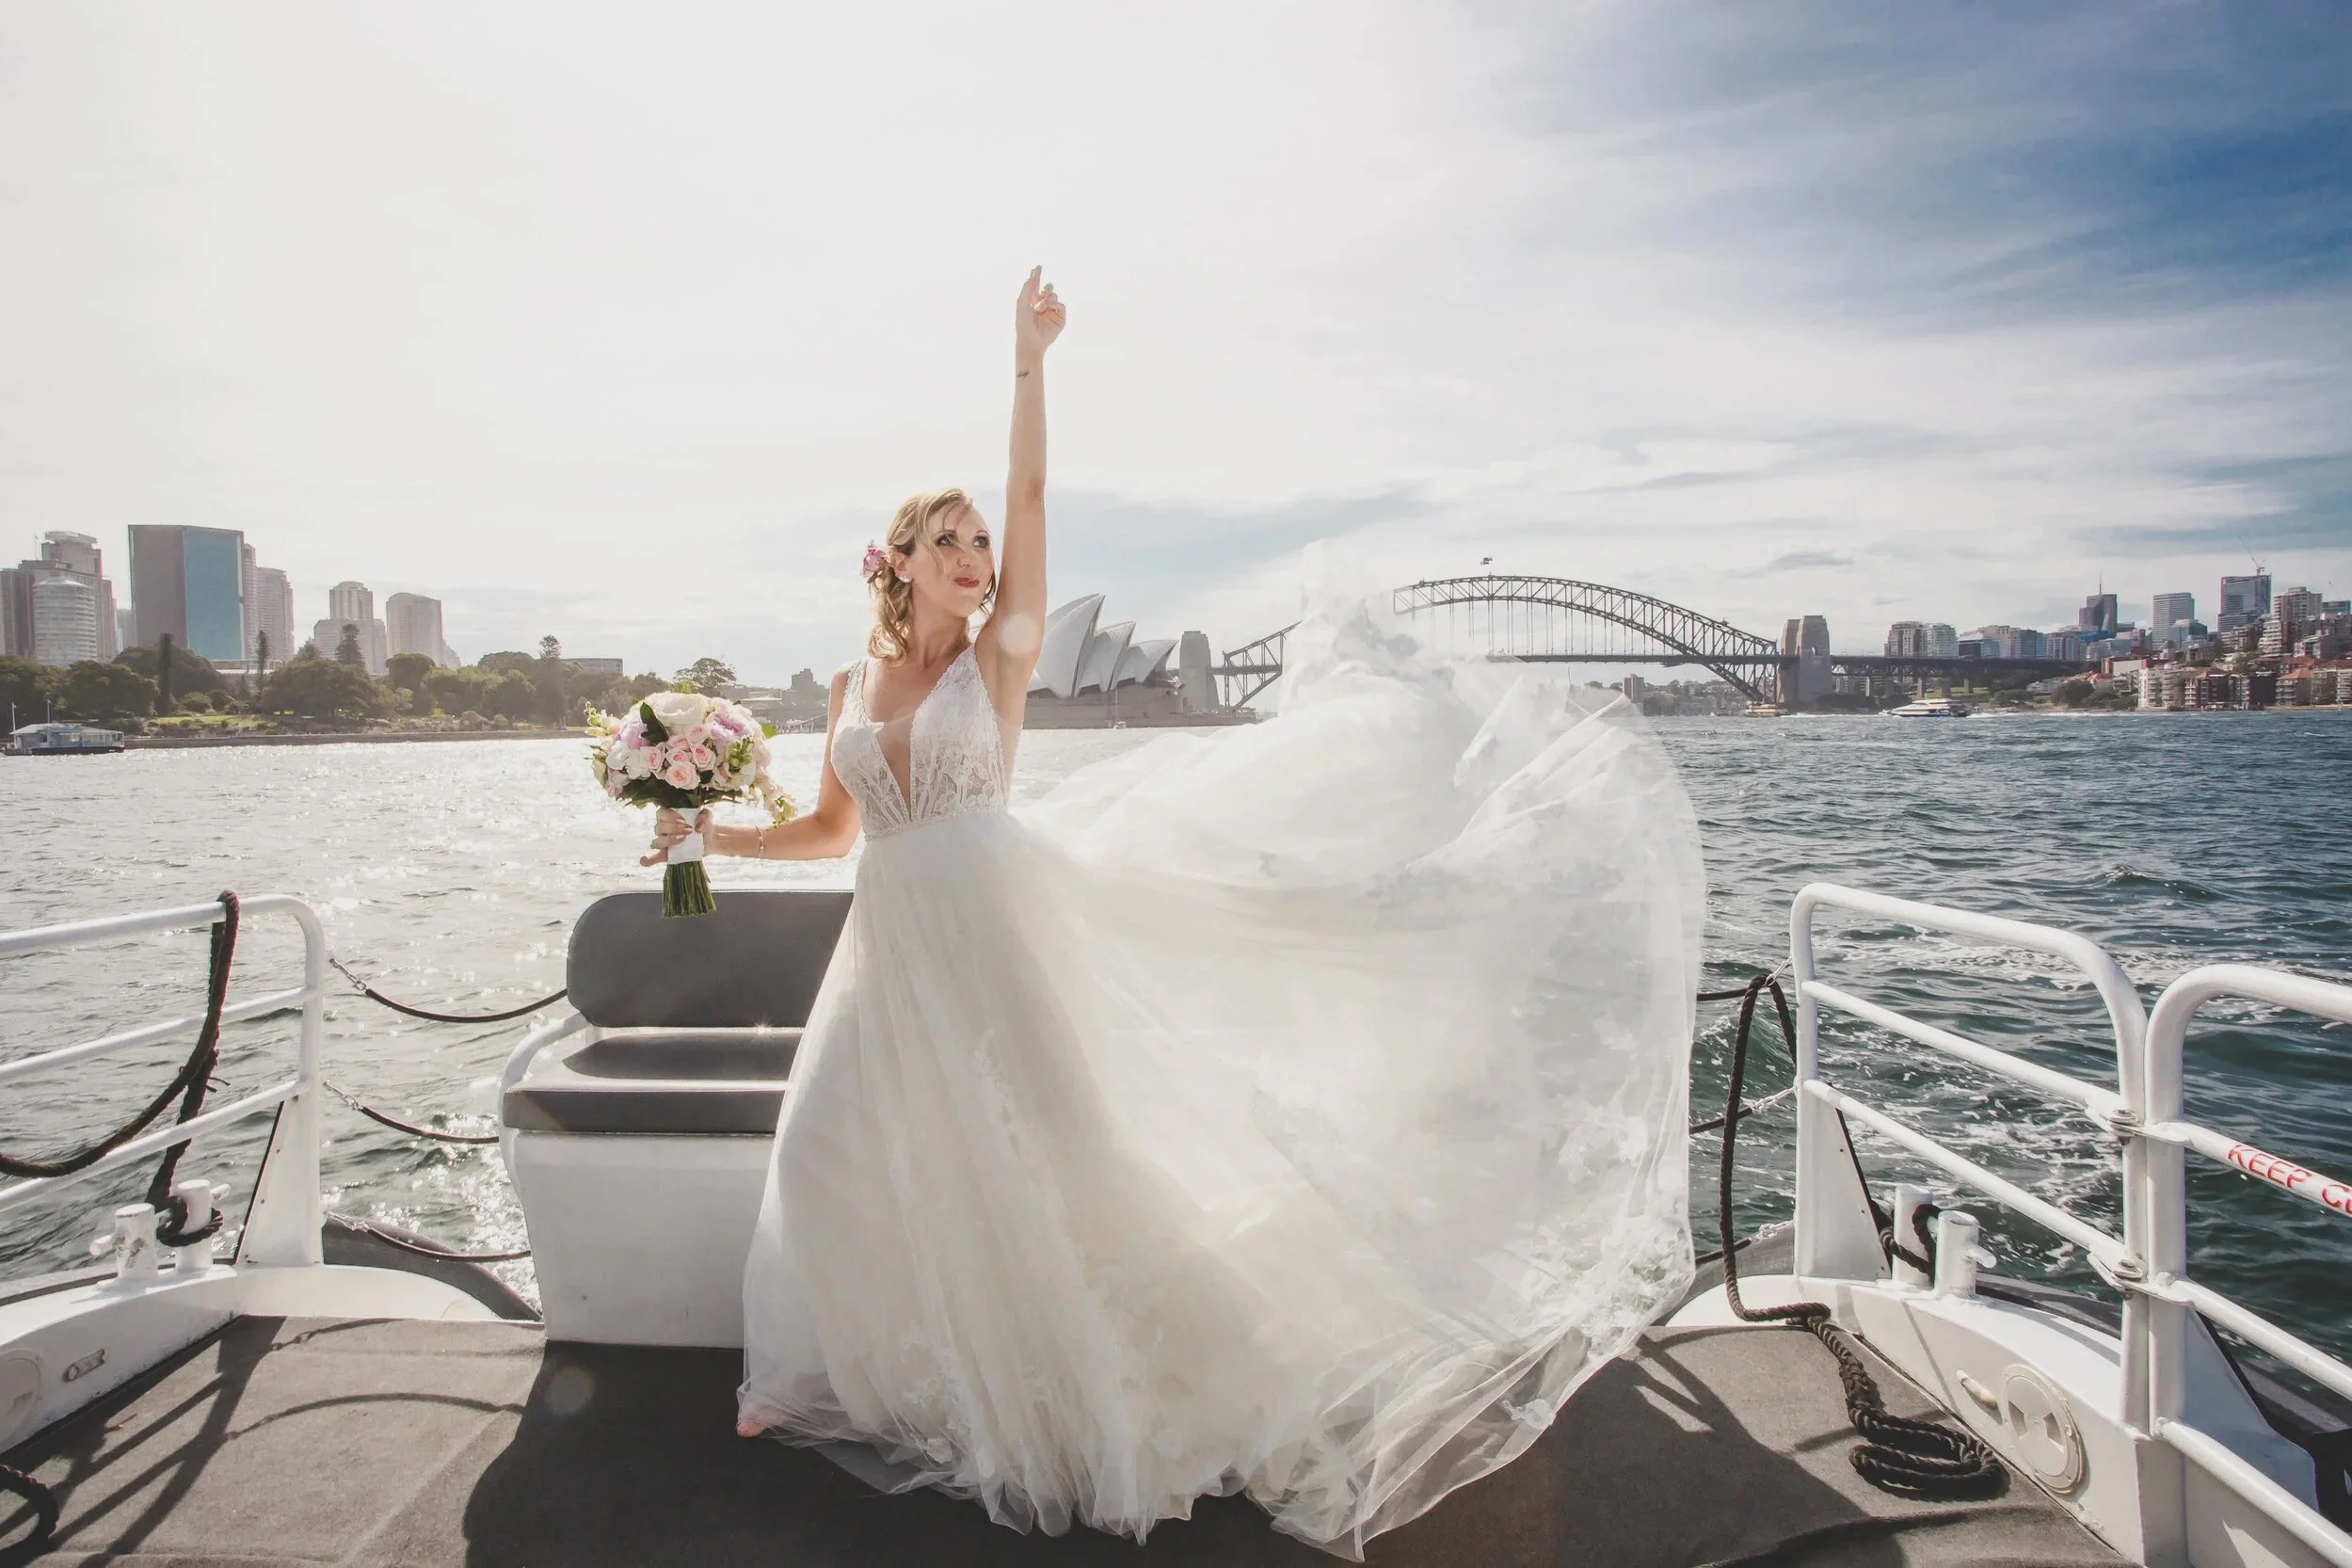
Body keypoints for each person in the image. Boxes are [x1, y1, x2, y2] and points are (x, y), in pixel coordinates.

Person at [645, 268, 1706, 1559]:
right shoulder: (848, 681)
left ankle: (1106, 1391)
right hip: (891, 947)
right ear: (901, 559)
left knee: (1054, 1168)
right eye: (953, 542)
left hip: (990, 927)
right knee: (830, 1155)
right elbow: (829, 830)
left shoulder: (1005, 654)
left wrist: (1026, 361)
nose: (978, 559)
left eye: (983, 544)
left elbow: (1033, 493)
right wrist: (706, 834)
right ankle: (830, 1377)